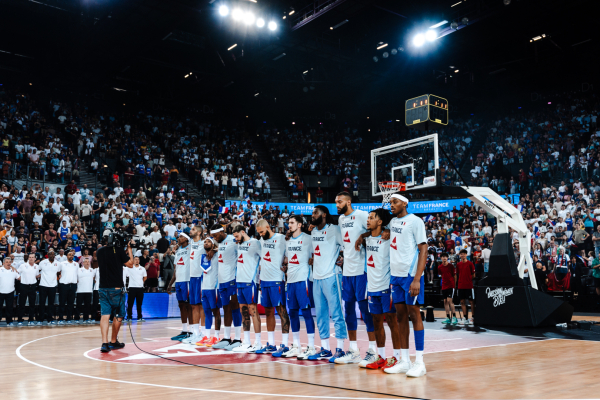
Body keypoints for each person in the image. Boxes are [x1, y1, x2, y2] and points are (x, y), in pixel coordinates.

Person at [383, 194, 427, 377]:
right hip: (396, 275)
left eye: (395, 202)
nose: (391, 205)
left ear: (405, 203)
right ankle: (404, 360)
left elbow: (423, 248)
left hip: (410, 276)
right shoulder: (392, 222)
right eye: (390, 202)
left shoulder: (416, 221)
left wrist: (417, 278)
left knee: (414, 314)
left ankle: (420, 362)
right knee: (400, 316)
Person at [333, 192, 376, 366]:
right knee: (348, 311)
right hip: (347, 271)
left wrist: (362, 236)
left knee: (365, 311)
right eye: (336, 202)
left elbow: (377, 230)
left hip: (362, 270)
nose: (337, 204)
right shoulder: (340, 220)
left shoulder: (362, 215)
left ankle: (373, 351)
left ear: (349, 202)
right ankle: (353, 350)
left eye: (340, 201)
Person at [360, 208, 402, 370]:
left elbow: (398, 229)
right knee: (377, 323)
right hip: (372, 288)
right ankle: (382, 356)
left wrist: (388, 230)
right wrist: (360, 236)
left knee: (392, 322)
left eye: (371, 218)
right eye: (368, 217)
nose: (368, 220)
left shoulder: (388, 238)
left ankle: (397, 357)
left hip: (387, 288)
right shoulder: (367, 239)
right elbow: (364, 234)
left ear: (380, 222)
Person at [307, 205, 347, 361]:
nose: (312, 215)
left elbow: (347, 247)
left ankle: (341, 349)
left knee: (337, 313)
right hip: (316, 277)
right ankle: (325, 348)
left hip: (332, 275)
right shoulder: (314, 231)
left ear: (324, 214)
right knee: (321, 315)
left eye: (315, 213)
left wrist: (344, 259)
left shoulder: (335, 230)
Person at [282, 215, 317, 359]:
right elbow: (287, 259)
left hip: (303, 281)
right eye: (288, 223)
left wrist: (313, 260)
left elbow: (317, 254)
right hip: (290, 282)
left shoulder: (309, 239)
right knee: (293, 314)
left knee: (307, 313)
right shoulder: (288, 241)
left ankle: (311, 347)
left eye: (292, 223)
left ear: (300, 225)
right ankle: (296, 346)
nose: (289, 225)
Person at [254, 219, 290, 355]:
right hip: (264, 280)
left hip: (277, 280)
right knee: (268, 312)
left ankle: (285, 344)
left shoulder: (281, 239)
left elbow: (290, 255)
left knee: (281, 311)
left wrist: (286, 265)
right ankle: (271, 344)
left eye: (262, 232)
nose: (261, 235)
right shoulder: (260, 242)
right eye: (258, 233)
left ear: (268, 227)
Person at [96, 234, 134, 353]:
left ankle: (104, 343)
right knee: (118, 315)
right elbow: (131, 264)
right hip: (116, 289)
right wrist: (129, 250)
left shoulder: (99, 251)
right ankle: (113, 341)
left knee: (105, 315)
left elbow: (112, 257)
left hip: (102, 288)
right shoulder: (118, 251)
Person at [211, 224, 243, 350]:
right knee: (226, 309)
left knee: (235, 308)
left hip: (232, 280)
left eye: (215, 236)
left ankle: (237, 338)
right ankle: (226, 337)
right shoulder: (219, 243)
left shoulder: (233, 240)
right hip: (222, 281)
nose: (214, 238)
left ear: (222, 232)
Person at [231, 224, 263, 353]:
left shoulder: (255, 243)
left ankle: (258, 342)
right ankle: (247, 342)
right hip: (240, 282)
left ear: (243, 232)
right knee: (243, 312)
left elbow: (264, 257)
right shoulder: (238, 244)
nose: (236, 239)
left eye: (237, 236)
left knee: (253, 311)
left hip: (251, 282)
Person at [166, 232, 193, 341]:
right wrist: (170, 284)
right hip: (178, 282)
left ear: (186, 239)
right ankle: (184, 330)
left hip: (187, 280)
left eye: (181, 236)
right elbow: (175, 270)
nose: (179, 238)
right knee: (181, 305)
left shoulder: (190, 248)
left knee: (188, 306)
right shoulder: (177, 252)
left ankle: (191, 331)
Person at [182, 226, 206, 345]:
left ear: (199, 232)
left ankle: (204, 334)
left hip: (201, 277)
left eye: (192, 230)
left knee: (201, 306)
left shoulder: (204, 244)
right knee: (193, 306)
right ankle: (195, 333)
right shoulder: (190, 244)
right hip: (192, 277)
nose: (190, 231)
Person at [198, 237, 221, 346]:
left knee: (216, 312)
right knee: (206, 312)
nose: (206, 243)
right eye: (205, 242)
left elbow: (222, 249)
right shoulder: (203, 255)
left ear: (213, 244)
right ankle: (207, 336)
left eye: (208, 242)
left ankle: (216, 336)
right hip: (205, 287)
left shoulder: (217, 254)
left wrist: (215, 249)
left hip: (214, 287)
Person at [38, 250, 61, 324]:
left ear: (54, 255)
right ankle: (40, 319)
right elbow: (38, 270)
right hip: (43, 285)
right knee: (42, 303)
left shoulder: (58, 263)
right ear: (47, 255)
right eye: (50, 254)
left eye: (52, 254)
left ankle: (50, 319)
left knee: (51, 303)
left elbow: (59, 272)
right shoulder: (42, 262)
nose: (51, 255)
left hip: (53, 285)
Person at [17, 254, 40, 326]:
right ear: (28, 258)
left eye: (32, 257)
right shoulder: (23, 265)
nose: (31, 258)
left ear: (35, 258)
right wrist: (20, 278)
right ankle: (20, 320)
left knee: (32, 304)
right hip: (24, 286)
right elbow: (16, 272)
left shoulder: (37, 267)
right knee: (22, 304)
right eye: (30, 257)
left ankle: (31, 320)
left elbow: (36, 275)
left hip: (32, 286)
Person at [57, 250, 79, 325]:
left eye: (72, 255)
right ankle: (60, 318)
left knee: (71, 303)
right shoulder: (62, 263)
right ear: (67, 256)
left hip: (73, 285)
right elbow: (57, 271)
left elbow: (77, 274)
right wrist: (58, 275)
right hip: (64, 285)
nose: (71, 256)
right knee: (62, 302)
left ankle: (69, 318)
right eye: (69, 255)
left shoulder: (76, 264)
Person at [437, 253, 458, 325]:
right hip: (444, 285)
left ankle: (454, 317)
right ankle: (448, 317)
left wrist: (454, 285)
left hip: (451, 285)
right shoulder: (439, 267)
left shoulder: (451, 266)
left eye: (445, 257)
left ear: (447, 258)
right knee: (445, 301)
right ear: (441, 258)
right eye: (443, 257)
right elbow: (441, 275)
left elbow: (455, 276)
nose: (444, 258)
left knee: (449, 301)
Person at [456, 249, 476, 325]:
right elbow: (458, 274)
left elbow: (474, 275)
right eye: (461, 254)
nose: (463, 255)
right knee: (462, 302)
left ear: (466, 255)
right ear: (460, 255)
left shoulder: (470, 264)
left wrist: (468, 280)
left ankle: (473, 317)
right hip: (461, 286)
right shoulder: (458, 265)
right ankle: (465, 318)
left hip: (469, 285)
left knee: (471, 302)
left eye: (464, 254)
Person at [126, 257, 147, 321]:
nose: (137, 261)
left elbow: (145, 277)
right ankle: (129, 317)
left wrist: (140, 283)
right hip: (132, 288)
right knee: (130, 303)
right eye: (135, 260)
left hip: (140, 288)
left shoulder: (143, 268)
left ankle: (139, 317)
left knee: (139, 304)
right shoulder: (129, 268)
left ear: (139, 261)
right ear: (133, 261)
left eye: (138, 260)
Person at [0, 258, 20, 326]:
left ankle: (9, 321)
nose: (8, 263)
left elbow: (19, 278)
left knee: (9, 308)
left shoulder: (13, 270)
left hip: (10, 292)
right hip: (0, 292)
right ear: (3, 263)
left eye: (9, 262)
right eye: (6, 262)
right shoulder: (0, 270)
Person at [75, 258, 95, 324]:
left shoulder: (92, 270)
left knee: (87, 305)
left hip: (89, 290)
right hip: (80, 290)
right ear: (82, 263)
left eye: (88, 261)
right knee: (78, 305)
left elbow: (94, 278)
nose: (87, 263)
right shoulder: (79, 270)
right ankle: (77, 319)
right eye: (85, 261)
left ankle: (86, 318)